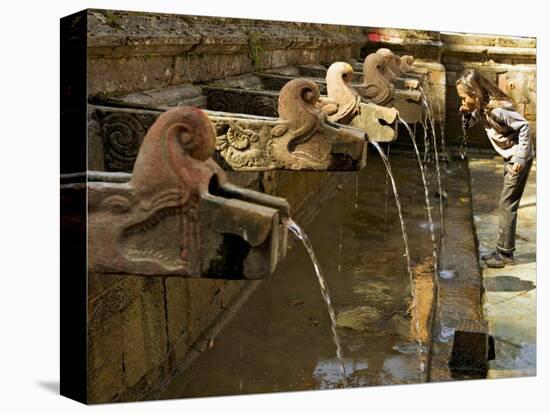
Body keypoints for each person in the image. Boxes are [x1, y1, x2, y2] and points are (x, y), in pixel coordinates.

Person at [456, 69, 534, 268]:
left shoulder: (497, 109)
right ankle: (502, 250)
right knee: (506, 202)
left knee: (507, 203)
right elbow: (474, 122)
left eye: (464, 98)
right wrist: (466, 115)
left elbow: (524, 126)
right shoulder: (481, 108)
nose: (462, 102)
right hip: (510, 157)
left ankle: (505, 254)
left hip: (518, 159)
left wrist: (520, 157)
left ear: (474, 93)